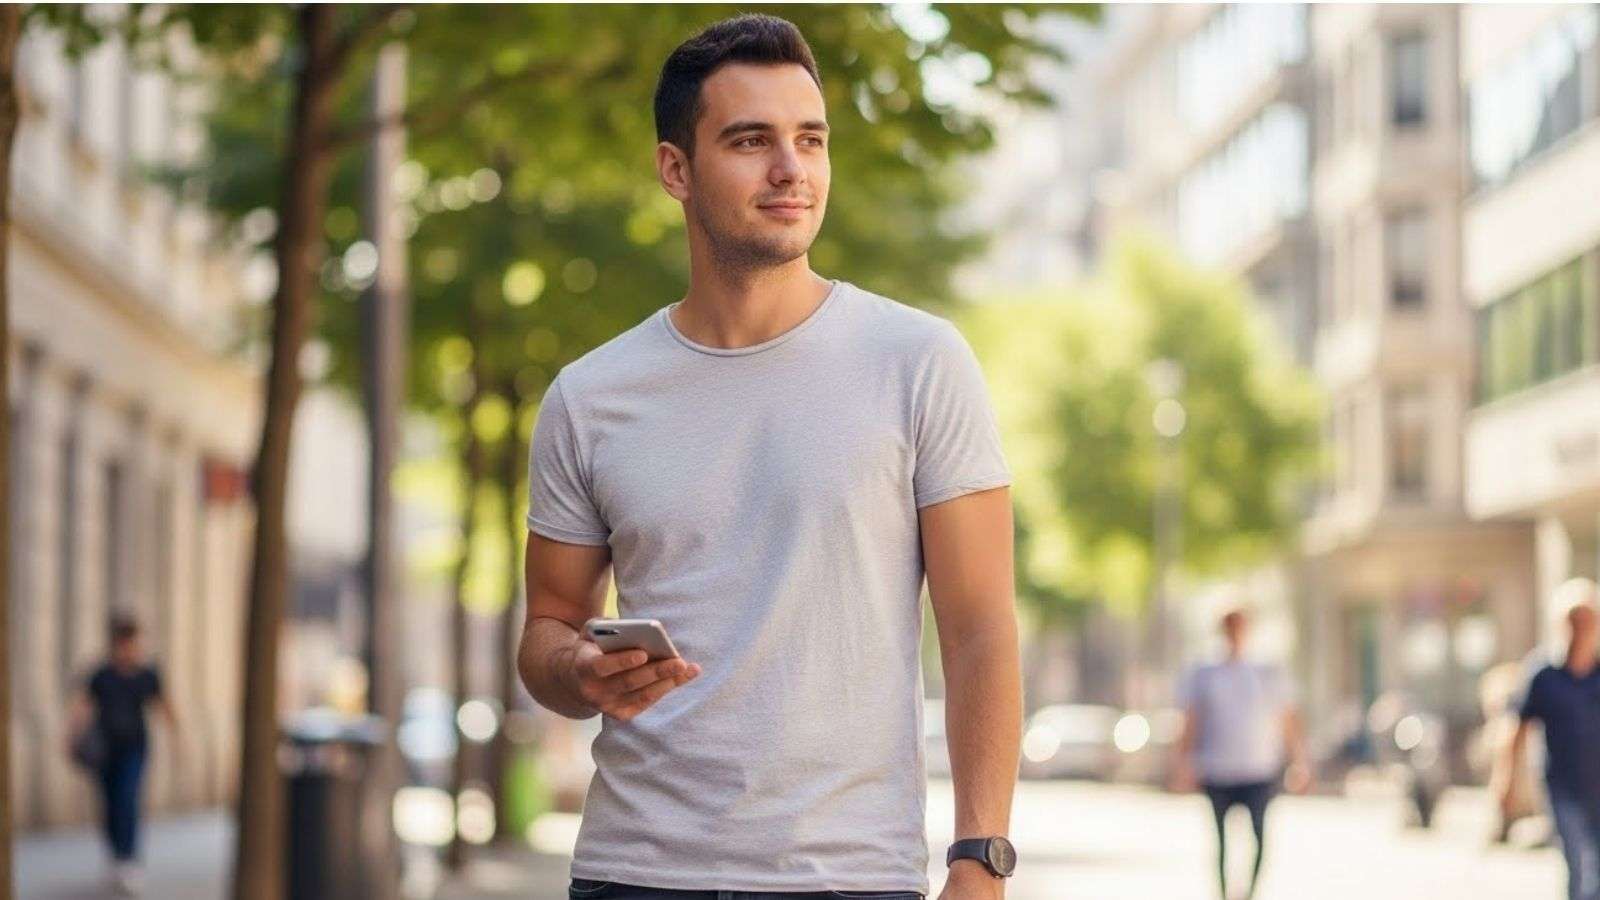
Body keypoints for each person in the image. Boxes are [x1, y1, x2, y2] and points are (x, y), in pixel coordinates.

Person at [517, 14, 1021, 900]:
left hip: (846, 874)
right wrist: (580, 671)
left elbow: (979, 629)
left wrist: (980, 859)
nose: (791, 169)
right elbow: (547, 628)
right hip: (634, 873)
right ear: (677, 169)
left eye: (810, 140)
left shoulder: (918, 362)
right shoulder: (590, 396)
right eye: (752, 141)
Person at [1170, 609, 1310, 900]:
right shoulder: (1205, 674)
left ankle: (1248, 895)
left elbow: (1287, 719)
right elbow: (1191, 721)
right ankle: (1223, 895)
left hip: (1258, 769)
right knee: (1220, 842)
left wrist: (1300, 762)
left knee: (1259, 838)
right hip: (1217, 769)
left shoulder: (1267, 672)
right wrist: (1183, 763)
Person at [64, 615, 182, 896]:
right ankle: (116, 857)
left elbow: (163, 704)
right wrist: (71, 736)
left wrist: (177, 738)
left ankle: (129, 860)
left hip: (134, 748)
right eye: (124, 643)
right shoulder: (102, 675)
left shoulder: (147, 674)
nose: (130, 649)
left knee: (127, 799)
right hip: (105, 751)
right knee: (109, 804)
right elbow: (83, 705)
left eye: (133, 643)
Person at [1502, 578, 1600, 900]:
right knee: (1578, 865)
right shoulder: (1542, 674)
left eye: (1588, 620)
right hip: (1563, 788)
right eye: (1574, 620)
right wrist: (1508, 785)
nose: (1581, 628)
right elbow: (1517, 731)